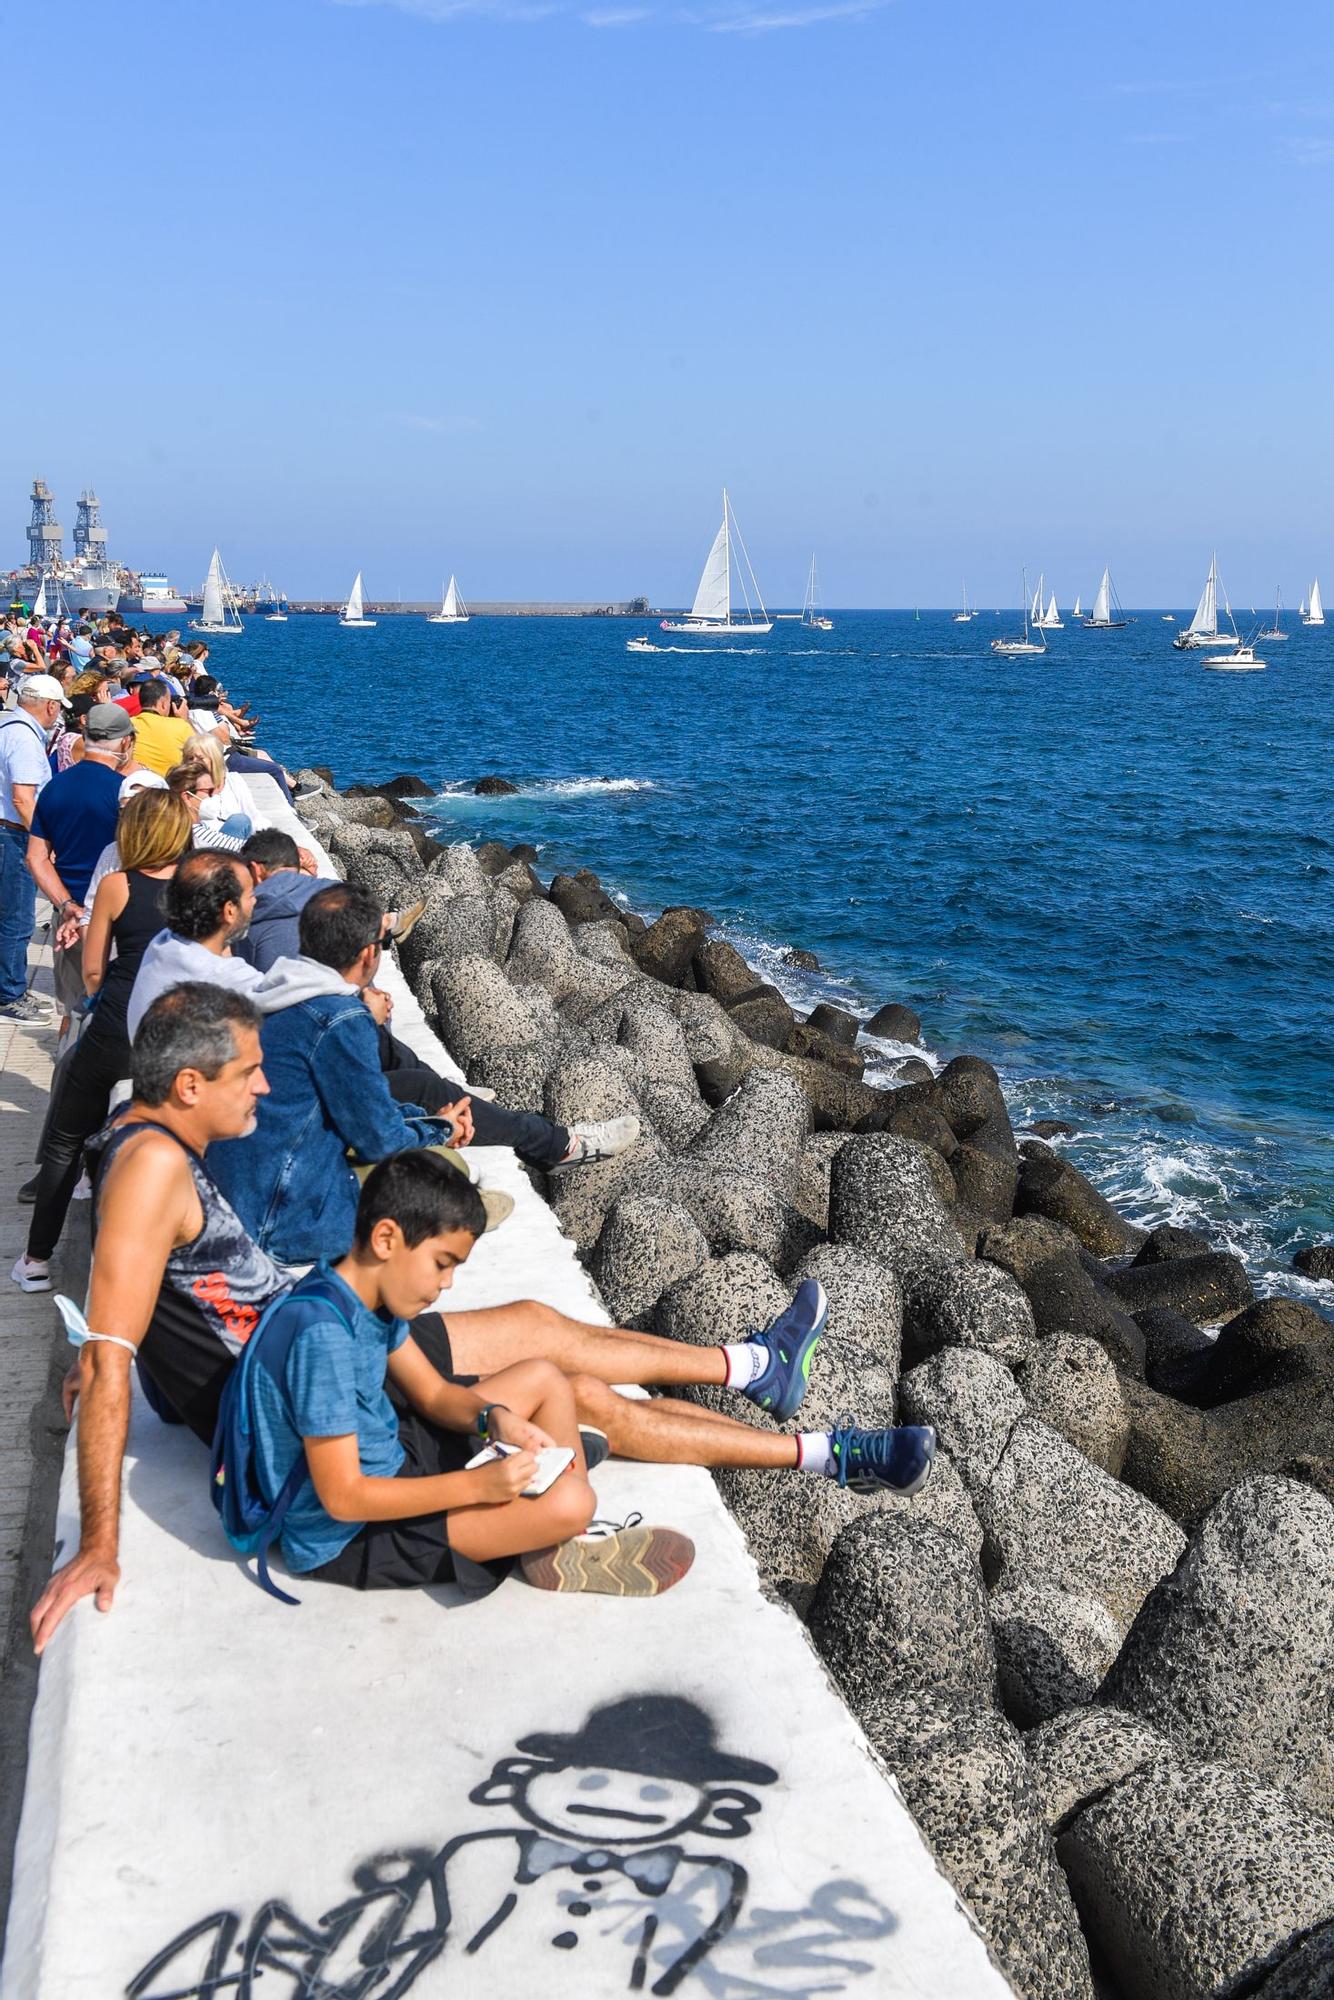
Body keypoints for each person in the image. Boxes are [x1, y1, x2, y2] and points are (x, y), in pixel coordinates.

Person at [27, 986, 934, 1650]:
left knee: (545, 1343)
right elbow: (113, 1350)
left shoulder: (146, 1143)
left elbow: (129, 1319)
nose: (262, 1092)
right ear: (187, 1085)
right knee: (576, 1383)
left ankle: (756, 1382)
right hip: (305, 1374)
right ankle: (805, 1438)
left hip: (326, 1337)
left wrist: (110, 1358)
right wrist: (100, 1541)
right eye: (249, 1074)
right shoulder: (149, 1169)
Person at [207, 883, 634, 1260]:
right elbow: (377, 1139)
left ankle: (541, 1145)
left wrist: (430, 1121)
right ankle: (453, 1212)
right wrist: (439, 1131)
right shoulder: (338, 1018)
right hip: (284, 1219)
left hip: (252, 1190)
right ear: (369, 954)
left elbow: (342, 1111)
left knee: (423, 1094)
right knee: (446, 1164)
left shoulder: (273, 994)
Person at [12, 791, 192, 1289]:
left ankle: (36, 1261)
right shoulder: (198, 888)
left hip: (117, 1024)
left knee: (67, 1137)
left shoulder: (116, 884)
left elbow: (93, 969)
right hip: (173, 1035)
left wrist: (100, 997)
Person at [25, 702, 137, 1021]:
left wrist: (65, 905)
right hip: (117, 915)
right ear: (125, 742)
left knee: (73, 1014)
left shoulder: (54, 788)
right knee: (117, 1016)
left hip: (71, 918)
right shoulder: (123, 793)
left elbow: (37, 858)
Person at [0, 673, 69, 1021]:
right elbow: (23, 799)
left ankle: (10, 987)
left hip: (7, 832)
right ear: (51, 705)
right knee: (17, 917)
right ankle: (9, 993)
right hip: (12, 835)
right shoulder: (26, 740)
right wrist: (44, 842)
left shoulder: (8, 727)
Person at [129, 676, 195, 777]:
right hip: (169, 787)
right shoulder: (180, 726)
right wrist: (185, 720)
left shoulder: (128, 725)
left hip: (136, 783)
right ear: (163, 704)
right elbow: (200, 752)